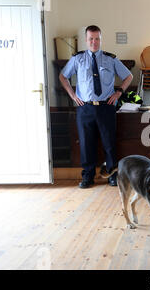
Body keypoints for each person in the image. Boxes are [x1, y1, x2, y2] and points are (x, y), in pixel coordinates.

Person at [59, 25, 133, 188]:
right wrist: (73, 95)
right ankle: (88, 177)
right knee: (86, 143)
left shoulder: (110, 59)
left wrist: (119, 92)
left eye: (97, 38)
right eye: (91, 38)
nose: (94, 42)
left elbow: (128, 75)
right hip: (85, 108)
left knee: (109, 143)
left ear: (101, 39)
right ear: (86, 40)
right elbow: (63, 76)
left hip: (106, 107)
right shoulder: (77, 59)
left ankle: (112, 175)